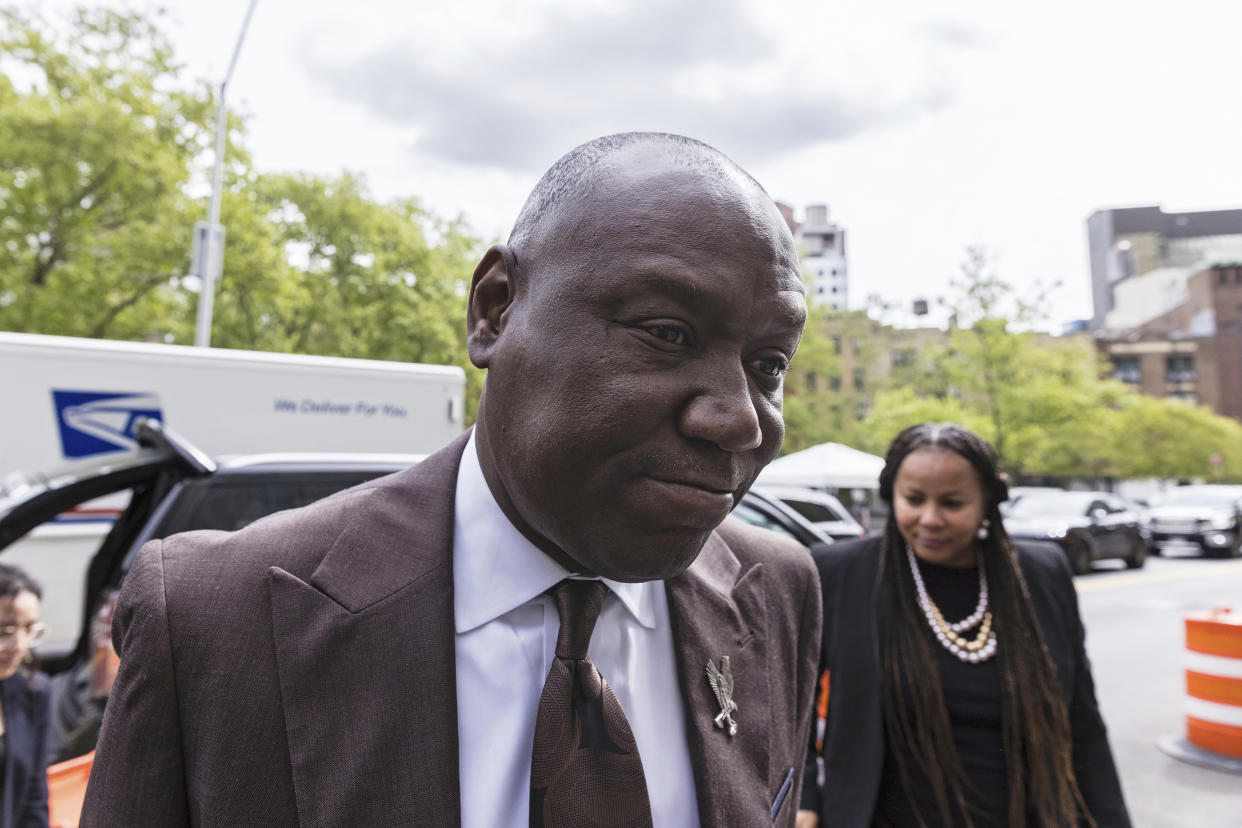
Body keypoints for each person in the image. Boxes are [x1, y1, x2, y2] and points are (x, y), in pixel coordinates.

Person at [81, 133, 822, 827]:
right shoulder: (216, 616)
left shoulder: (777, 590)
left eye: (769, 365)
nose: (738, 421)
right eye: (667, 333)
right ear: (496, 308)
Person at [797, 423, 1130, 828]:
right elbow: (792, 706)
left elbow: (1082, 720)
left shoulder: (1040, 573)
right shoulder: (839, 572)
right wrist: (804, 802)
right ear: (891, 495)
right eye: (913, 499)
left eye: (952, 503)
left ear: (987, 503)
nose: (930, 519)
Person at [0, 563, 51, 828]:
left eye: (29, 628)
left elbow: (34, 797)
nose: (18, 645)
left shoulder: (35, 692)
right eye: (4, 631)